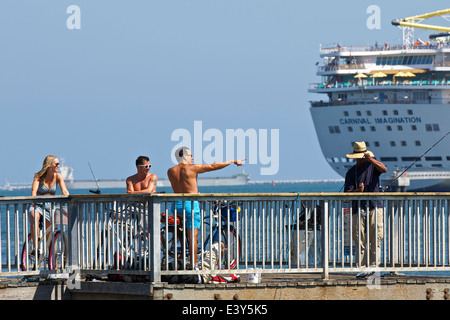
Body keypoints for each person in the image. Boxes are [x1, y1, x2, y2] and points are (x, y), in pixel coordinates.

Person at [167, 146, 245, 265]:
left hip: (176, 204)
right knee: (193, 235)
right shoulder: (192, 168)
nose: (193, 157)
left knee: (180, 232)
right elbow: (213, 166)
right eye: (190, 155)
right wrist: (232, 161)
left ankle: (178, 259)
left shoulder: (170, 170)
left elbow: (182, 185)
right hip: (190, 204)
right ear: (184, 156)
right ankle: (193, 265)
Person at [344, 142, 387, 272]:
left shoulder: (373, 167)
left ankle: (375, 268)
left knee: (376, 238)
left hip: (375, 206)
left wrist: (371, 160)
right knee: (359, 239)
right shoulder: (351, 172)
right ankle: (361, 269)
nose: (360, 158)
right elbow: (347, 193)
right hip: (358, 208)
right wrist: (358, 191)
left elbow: (384, 169)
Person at [29, 155, 69, 247]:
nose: (58, 166)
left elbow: (64, 190)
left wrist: (69, 198)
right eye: (56, 164)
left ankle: (53, 259)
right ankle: (36, 246)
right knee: (34, 217)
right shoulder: (38, 176)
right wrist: (33, 200)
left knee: (50, 238)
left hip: (49, 207)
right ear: (50, 165)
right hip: (37, 204)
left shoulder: (58, 176)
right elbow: (34, 191)